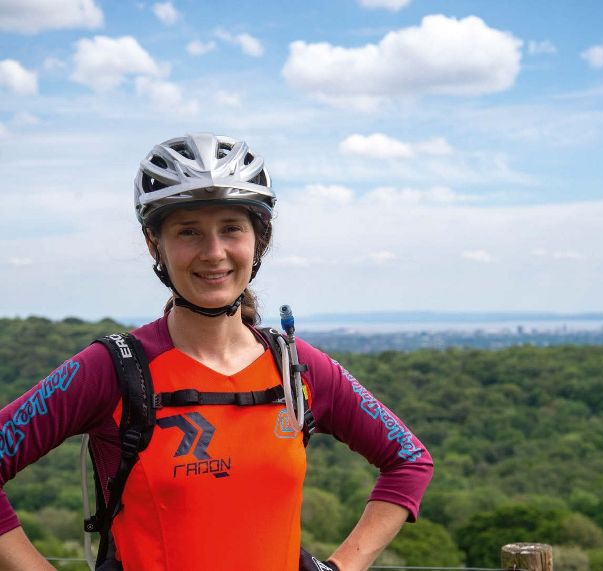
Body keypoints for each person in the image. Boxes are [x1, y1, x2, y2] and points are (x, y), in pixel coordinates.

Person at [0, 133, 433, 570]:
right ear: (155, 244)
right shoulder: (112, 370)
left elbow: (409, 460)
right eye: (188, 231)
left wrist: (341, 567)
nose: (214, 253)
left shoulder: (294, 367)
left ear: (258, 239)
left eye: (231, 228)